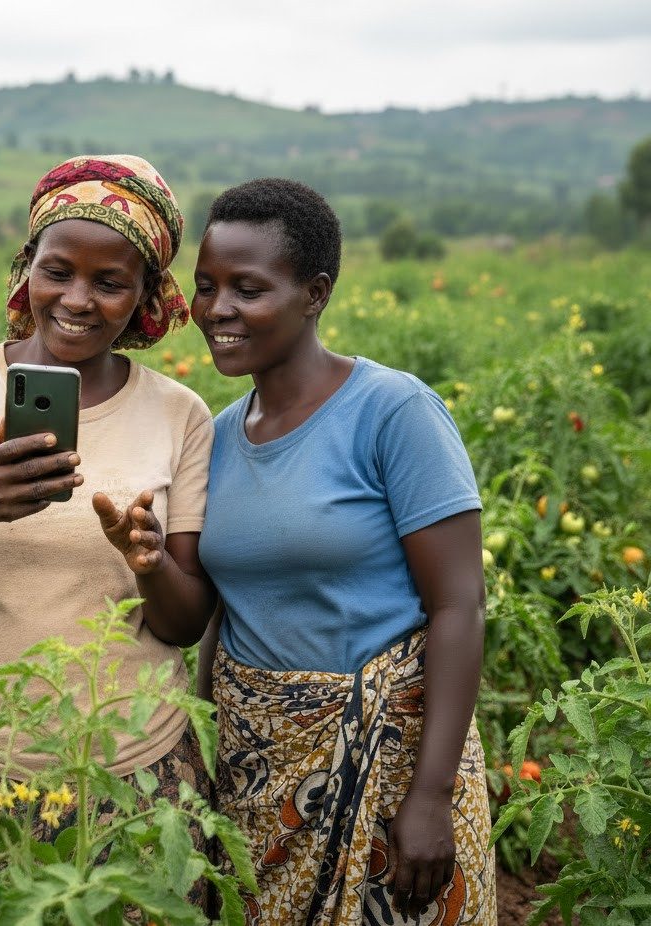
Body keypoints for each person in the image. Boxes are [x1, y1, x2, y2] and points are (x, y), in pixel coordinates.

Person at [0, 155, 216, 891]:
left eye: (110, 281)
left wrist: (147, 560)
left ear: (145, 297)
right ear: (26, 267)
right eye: (58, 270)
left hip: (138, 775)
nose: (77, 300)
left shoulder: (178, 415)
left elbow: (187, 624)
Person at [193, 178, 496, 925]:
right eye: (204, 287)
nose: (217, 310)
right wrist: (200, 755)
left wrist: (430, 799)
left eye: (247, 288)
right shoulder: (218, 435)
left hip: (394, 776)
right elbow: (220, 612)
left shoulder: (393, 412)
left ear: (315, 293)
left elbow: (458, 607)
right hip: (256, 777)